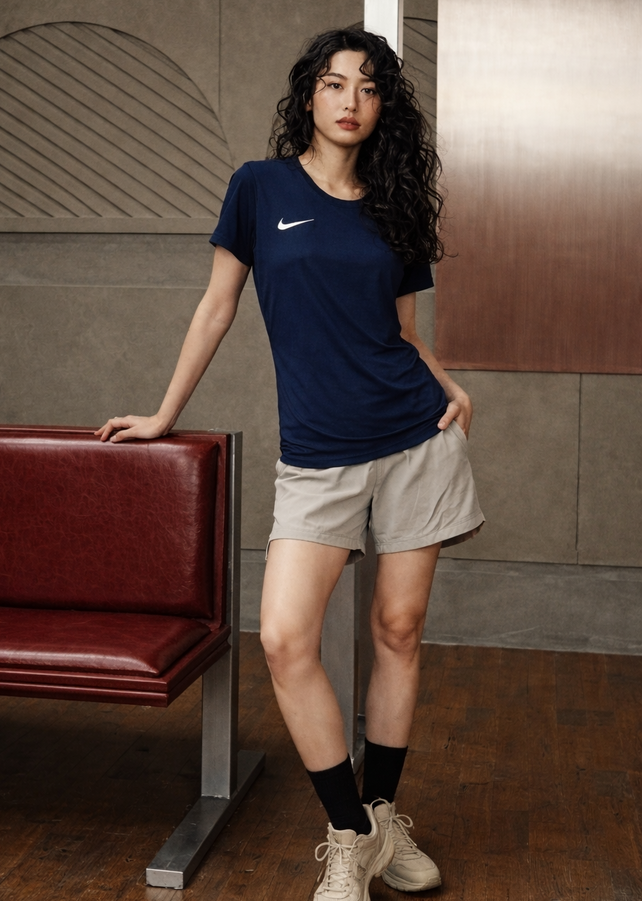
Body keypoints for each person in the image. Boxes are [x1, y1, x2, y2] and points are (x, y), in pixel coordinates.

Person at [96, 27, 483, 901]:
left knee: (398, 632)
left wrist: (448, 384)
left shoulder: (396, 205)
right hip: (320, 454)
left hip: (416, 442)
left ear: (385, 106)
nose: (351, 100)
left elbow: (403, 336)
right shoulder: (259, 188)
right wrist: (164, 414)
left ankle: (381, 824)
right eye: (335, 83)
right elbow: (215, 308)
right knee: (284, 637)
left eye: (370, 87)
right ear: (308, 95)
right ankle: (348, 833)